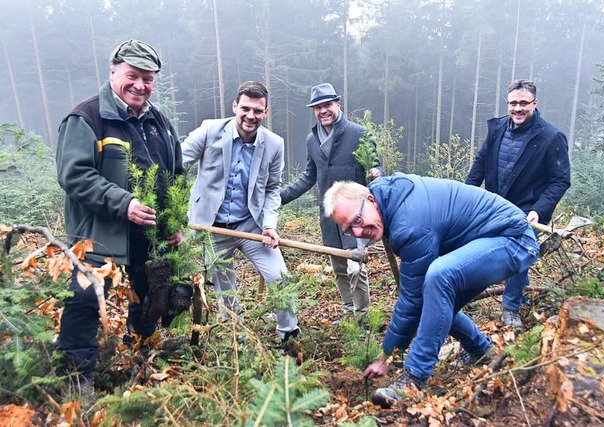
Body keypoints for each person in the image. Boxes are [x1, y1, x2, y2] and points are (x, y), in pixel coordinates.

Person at [323, 173, 539, 408]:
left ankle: (415, 377)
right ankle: (483, 352)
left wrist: (387, 355)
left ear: (371, 201)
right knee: (436, 299)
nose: (356, 233)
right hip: (486, 239)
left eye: (356, 220)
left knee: (439, 276)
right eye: (348, 230)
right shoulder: (389, 199)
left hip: (514, 240)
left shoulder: (409, 223)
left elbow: (411, 301)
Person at [56, 39, 183, 396]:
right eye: (132, 76)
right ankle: (76, 385)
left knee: (148, 302)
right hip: (98, 237)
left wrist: (174, 224)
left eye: (148, 78)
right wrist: (122, 202)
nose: (140, 85)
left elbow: (176, 176)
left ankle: (138, 371)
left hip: (148, 238)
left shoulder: (160, 123)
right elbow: (74, 175)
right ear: (113, 73)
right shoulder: (87, 118)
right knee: (83, 305)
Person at [182, 81, 300, 342]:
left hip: (251, 225)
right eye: (245, 108)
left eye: (258, 111)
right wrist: (177, 209)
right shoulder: (209, 130)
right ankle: (235, 333)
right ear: (235, 106)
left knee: (280, 277)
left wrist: (269, 225)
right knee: (224, 285)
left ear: (265, 113)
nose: (250, 116)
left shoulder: (274, 144)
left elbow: (272, 188)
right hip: (211, 226)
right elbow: (178, 163)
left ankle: (289, 333)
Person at [466, 79, 571, 328]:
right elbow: (481, 162)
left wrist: (539, 210)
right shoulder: (498, 128)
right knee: (481, 249)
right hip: (494, 205)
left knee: (517, 255)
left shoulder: (551, 137)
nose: (518, 109)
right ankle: (473, 293)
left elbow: (560, 180)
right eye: (513, 103)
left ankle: (511, 308)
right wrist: (467, 194)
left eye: (524, 103)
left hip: (528, 210)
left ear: (534, 103)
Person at [281, 83, 382, 322]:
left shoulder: (359, 133)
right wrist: (279, 198)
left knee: (355, 266)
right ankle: (348, 313)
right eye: (317, 107)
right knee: (339, 269)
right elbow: (309, 176)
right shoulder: (312, 140)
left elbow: (376, 166)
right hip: (329, 217)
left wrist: (377, 172)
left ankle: (362, 319)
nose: (323, 110)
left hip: (356, 216)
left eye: (327, 105)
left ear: (338, 104)